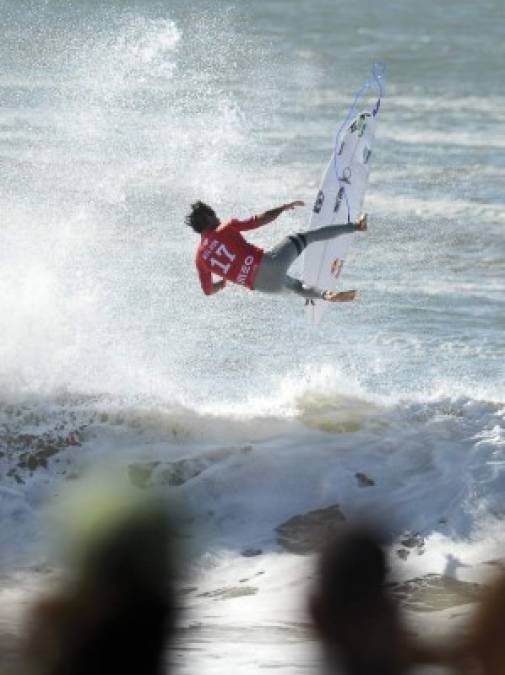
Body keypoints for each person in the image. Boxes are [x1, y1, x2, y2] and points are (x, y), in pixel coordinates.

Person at [186, 200, 368, 302]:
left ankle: (327, 295)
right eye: (213, 214)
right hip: (269, 263)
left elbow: (208, 291)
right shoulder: (225, 227)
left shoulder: (199, 259)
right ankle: (356, 226)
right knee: (305, 237)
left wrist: (222, 283)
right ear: (208, 217)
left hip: (264, 286)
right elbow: (259, 220)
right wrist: (282, 208)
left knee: (296, 286)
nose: (217, 216)